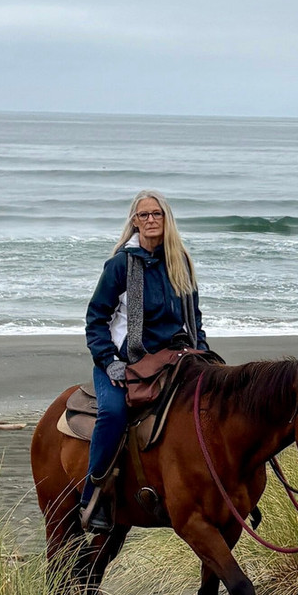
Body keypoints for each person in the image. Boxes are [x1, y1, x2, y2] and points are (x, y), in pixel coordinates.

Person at [82, 190, 209, 533]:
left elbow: (194, 319)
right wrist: (110, 362)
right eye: (144, 215)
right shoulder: (121, 265)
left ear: (167, 219)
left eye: (157, 214)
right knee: (113, 414)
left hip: (175, 358)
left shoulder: (180, 261)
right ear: (134, 221)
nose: (151, 220)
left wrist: (204, 355)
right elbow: (95, 320)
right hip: (126, 360)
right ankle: (94, 496)